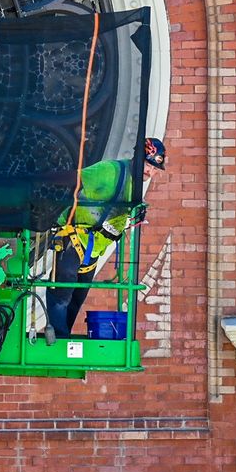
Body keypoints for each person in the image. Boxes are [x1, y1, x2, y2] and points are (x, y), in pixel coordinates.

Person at [44, 137, 167, 340]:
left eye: (154, 169)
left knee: (77, 298)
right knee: (61, 295)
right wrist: (39, 184)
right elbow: (73, 179)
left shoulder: (135, 186)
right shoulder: (110, 171)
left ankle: (63, 338)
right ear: (136, 158)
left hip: (94, 248)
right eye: (147, 165)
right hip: (73, 238)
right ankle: (59, 339)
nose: (150, 172)